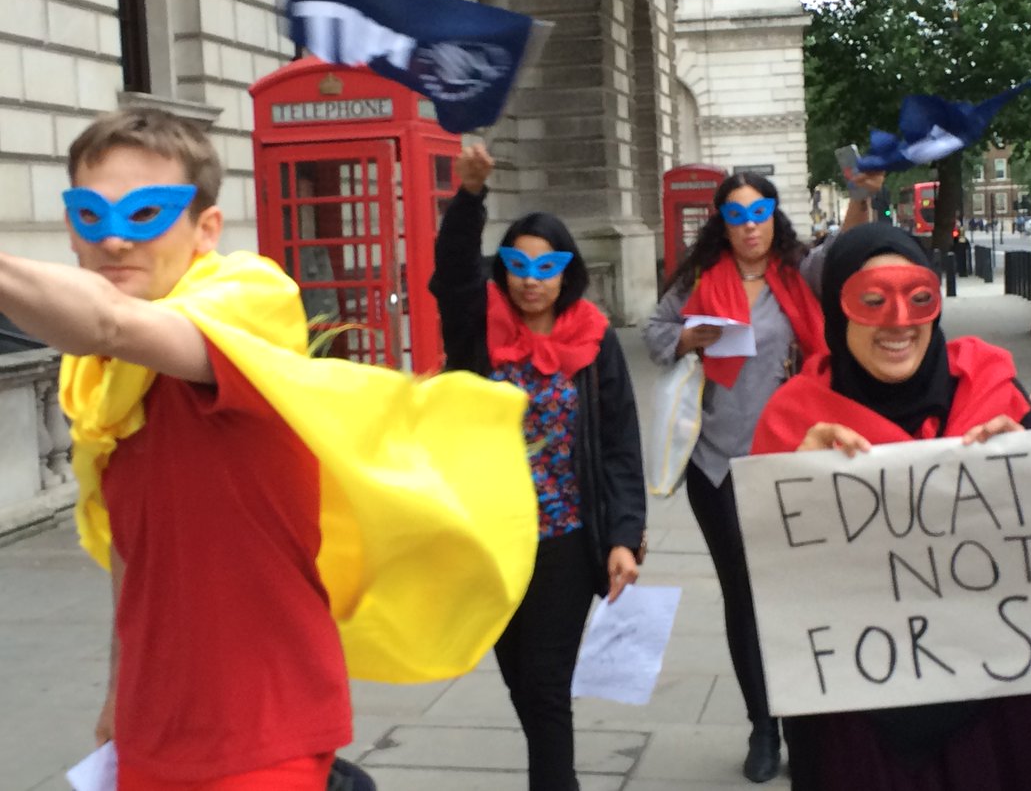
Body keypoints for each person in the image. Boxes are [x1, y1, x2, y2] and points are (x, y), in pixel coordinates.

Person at [0, 108, 535, 789]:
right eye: (89, 215)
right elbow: (129, 558)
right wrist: (117, 691)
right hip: (149, 729)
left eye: (144, 215)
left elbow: (109, 322)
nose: (112, 243)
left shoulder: (246, 303)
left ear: (206, 230)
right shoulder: (101, 387)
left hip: (265, 731)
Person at [751, 222, 1031, 791]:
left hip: (1013, 702)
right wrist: (789, 486)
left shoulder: (993, 389)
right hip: (865, 721)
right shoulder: (794, 418)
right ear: (837, 311)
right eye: (872, 301)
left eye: (917, 298)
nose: (898, 322)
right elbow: (760, 582)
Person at [429, 144, 648, 791]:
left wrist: (623, 535)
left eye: (544, 266)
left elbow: (619, 445)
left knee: (547, 685)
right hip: (490, 538)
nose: (530, 279)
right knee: (519, 676)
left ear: (566, 272)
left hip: (565, 538)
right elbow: (451, 273)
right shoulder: (479, 328)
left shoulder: (595, 337)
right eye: (517, 266)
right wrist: (470, 197)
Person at [642, 172, 870, 782]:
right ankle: (763, 728)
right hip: (716, 465)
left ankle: (805, 722)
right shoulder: (700, 279)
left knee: (794, 596)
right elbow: (655, 332)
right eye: (737, 214)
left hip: (792, 459)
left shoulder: (799, 273)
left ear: (774, 216)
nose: (749, 224)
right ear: (722, 220)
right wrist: (689, 336)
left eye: (760, 211)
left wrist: (861, 193)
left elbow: (845, 251)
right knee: (744, 599)